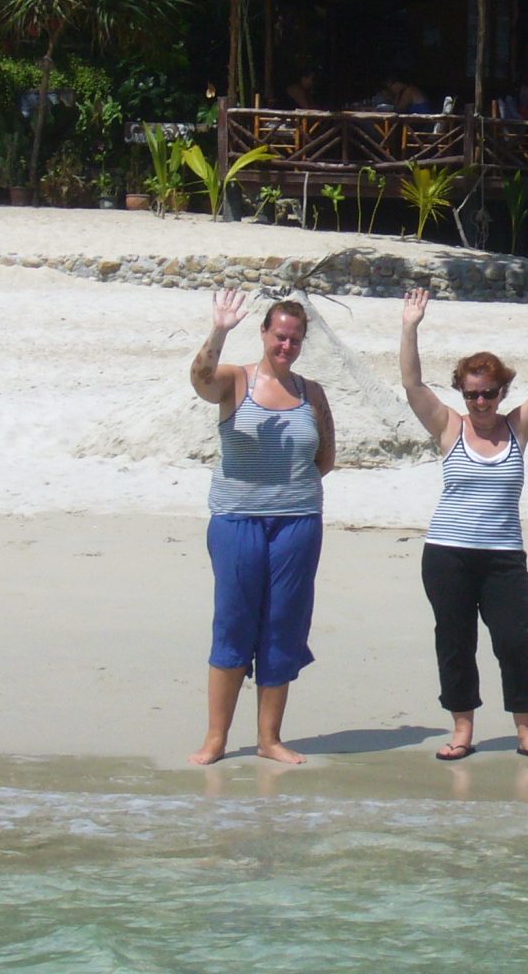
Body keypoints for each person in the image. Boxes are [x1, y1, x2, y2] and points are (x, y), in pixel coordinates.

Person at [399, 288, 528, 763]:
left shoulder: (517, 428)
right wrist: (410, 328)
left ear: (501, 391)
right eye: (471, 394)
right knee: (455, 642)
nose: (479, 402)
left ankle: (527, 732)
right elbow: (413, 385)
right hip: (447, 552)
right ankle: (462, 729)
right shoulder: (450, 428)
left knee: (515, 640)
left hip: (503, 557)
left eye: (488, 393)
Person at [188, 291, 336, 765]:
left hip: (298, 523)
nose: (286, 346)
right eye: (279, 336)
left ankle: (270, 739)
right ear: (265, 334)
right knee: (234, 621)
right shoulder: (236, 380)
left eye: (295, 339)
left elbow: (326, 457)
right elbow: (200, 379)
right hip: (236, 519)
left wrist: (286, 486)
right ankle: (216, 739)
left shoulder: (312, 393)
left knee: (282, 626)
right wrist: (219, 330)